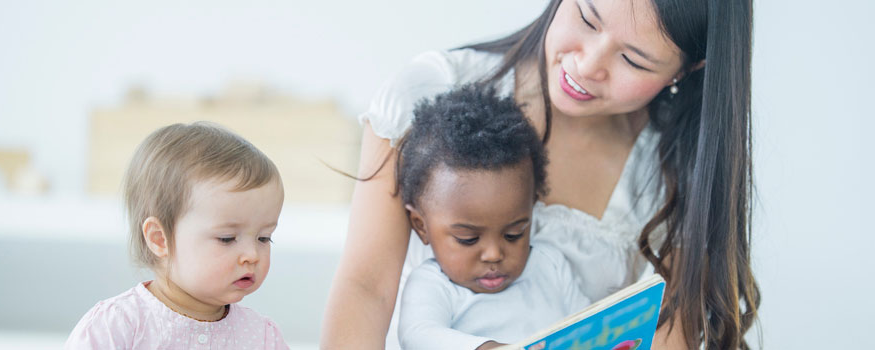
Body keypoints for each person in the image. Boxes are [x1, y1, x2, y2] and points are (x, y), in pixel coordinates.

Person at [321, 0, 760, 348]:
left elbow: (669, 335)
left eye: (634, 60)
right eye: (587, 18)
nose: (588, 65)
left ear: (685, 71)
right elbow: (367, 288)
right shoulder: (430, 91)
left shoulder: (676, 170)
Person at [394, 85, 590, 350]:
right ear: (421, 226)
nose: (494, 254)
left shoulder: (550, 266)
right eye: (468, 239)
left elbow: (588, 326)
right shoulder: (434, 285)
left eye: (514, 234)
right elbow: (418, 335)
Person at [65, 122, 290, 350]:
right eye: (227, 238)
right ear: (159, 239)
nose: (252, 255)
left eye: (264, 238)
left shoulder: (262, 337)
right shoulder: (117, 326)